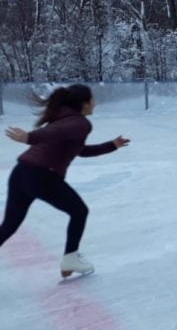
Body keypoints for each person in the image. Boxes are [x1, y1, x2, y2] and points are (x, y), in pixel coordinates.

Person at [1, 84, 130, 278]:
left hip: (22, 172)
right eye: (92, 100)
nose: (95, 103)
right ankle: (70, 258)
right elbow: (57, 132)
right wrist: (30, 137)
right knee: (79, 211)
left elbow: (80, 151)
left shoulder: (63, 118)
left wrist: (112, 145)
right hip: (42, 175)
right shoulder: (78, 123)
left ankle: (70, 259)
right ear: (84, 104)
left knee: (9, 225)